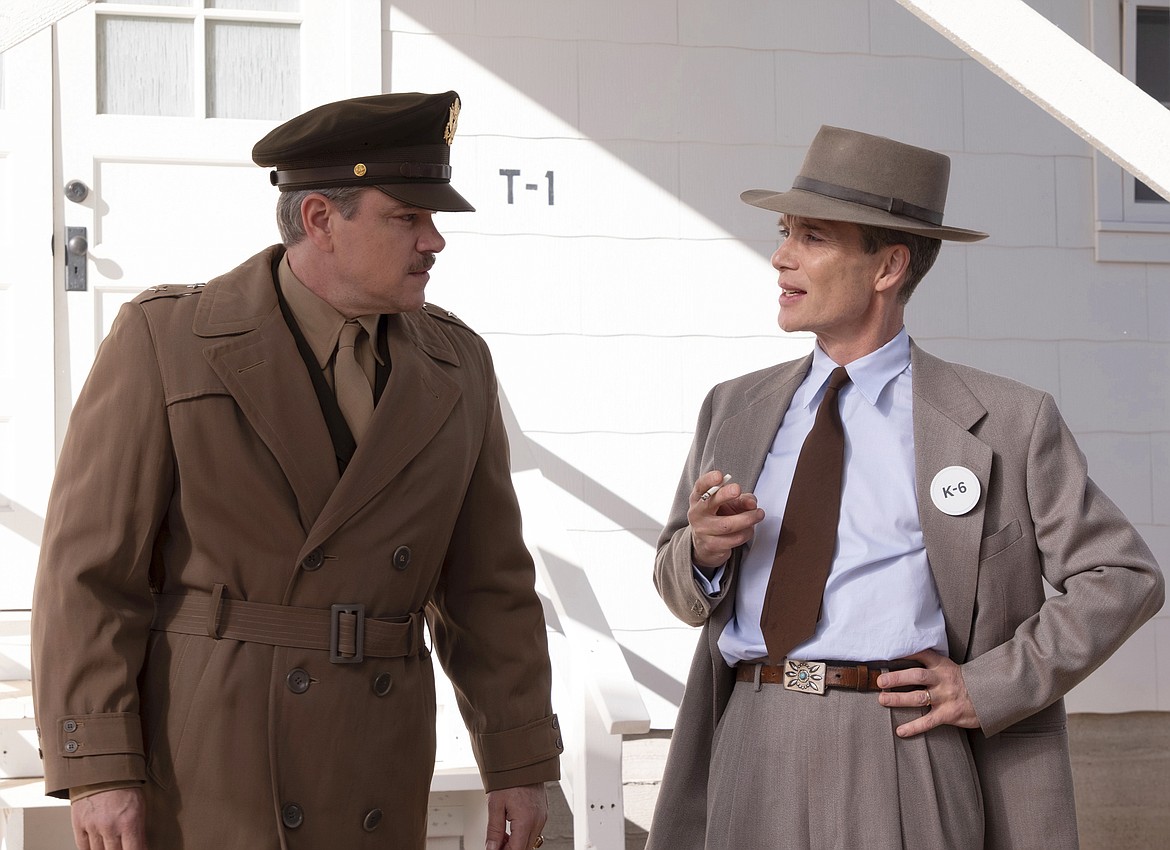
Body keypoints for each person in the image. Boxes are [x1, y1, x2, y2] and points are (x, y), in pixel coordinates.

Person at [31, 91, 562, 850]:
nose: (434, 240)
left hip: (378, 753)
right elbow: (88, 575)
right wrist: (99, 767)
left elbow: (489, 587)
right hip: (213, 759)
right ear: (321, 220)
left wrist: (518, 758)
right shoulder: (169, 338)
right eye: (407, 217)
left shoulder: (458, 362)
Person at [646, 125, 1164, 850]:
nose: (781, 257)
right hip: (750, 733)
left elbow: (1122, 576)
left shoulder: (1006, 421)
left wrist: (987, 686)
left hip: (901, 744)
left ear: (888, 266)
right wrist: (699, 551)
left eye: (814, 237)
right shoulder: (733, 408)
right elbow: (677, 583)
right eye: (785, 231)